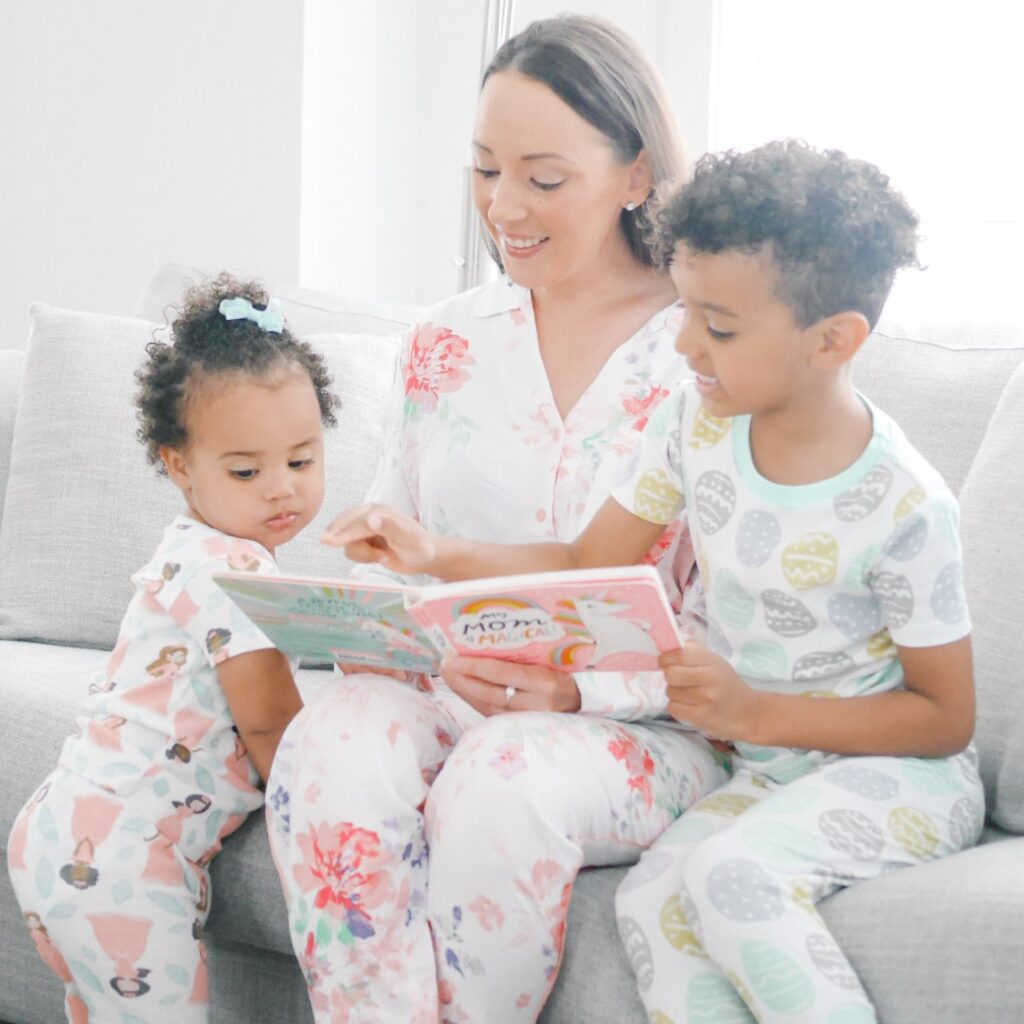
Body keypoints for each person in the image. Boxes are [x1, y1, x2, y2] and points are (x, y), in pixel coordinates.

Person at [330, 140, 986, 1024]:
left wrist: (753, 713)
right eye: (684, 312)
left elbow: (945, 720)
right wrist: (433, 550)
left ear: (834, 341)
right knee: (653, 904)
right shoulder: (695, 426)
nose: (682, 345)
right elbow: (584, 563)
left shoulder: (904, 503)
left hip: (903, 775)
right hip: (768, 768)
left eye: (717, 328)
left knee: (730, 876)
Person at [264, 15, 728, 1024]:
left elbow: (751, 626)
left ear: (637, 174)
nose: (502, 208)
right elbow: (399, 541)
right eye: (483, 171)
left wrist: (576, 688)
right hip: (455, 688)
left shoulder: (711, 352)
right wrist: (386, 625)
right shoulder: (445, 340)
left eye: (542, 178)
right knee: (331, 739)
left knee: (500, 776)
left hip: (645, 731)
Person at [7, 274, 338, 1024]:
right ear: (180, 465)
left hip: (60, 829)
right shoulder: (239, 569)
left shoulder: (186, 548)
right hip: (124, 860)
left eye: (303, 459)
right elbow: (267, 726)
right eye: (247, 471)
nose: (281, 489)